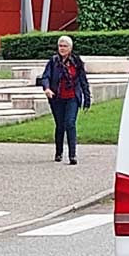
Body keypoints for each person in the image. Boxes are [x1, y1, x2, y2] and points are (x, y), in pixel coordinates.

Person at [36, 36, 92, 165]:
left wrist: (87, 98)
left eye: (65, 46)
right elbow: (45, 77)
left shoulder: (77, 62)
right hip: (57, 98)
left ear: (70, 48)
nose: (62, 48)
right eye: (60, 46)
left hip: (72, 97)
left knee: (70, 123)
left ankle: (72, 155)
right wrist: (47, 88)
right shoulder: (53, 61)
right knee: (60, 125)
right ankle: (59, 152)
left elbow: (83, 81)